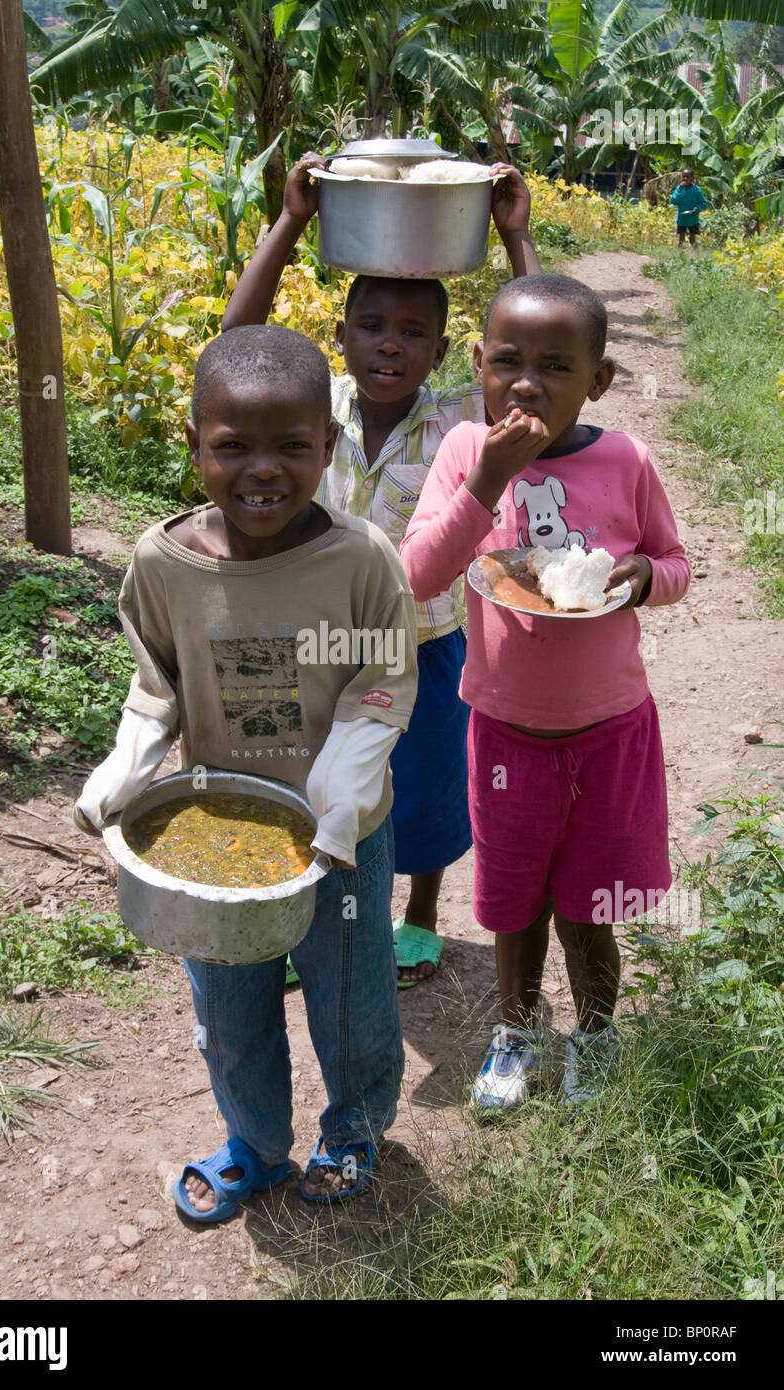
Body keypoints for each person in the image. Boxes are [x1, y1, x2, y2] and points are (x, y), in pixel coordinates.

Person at [74, 325, 418, 1219]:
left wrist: (336, 805)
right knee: (228, 1007)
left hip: (343, 840)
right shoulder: (166, 563)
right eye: (232, 447)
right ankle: (255, 1145)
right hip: (216, 837)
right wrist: (128, 766)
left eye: (292, 447)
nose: (262, 470)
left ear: (328, 447)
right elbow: (158, 683)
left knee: (351, 1000)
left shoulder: (359, 562)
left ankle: (352, 1129)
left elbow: (380, 688)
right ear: (193, 443)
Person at [223, 151, 542, 987]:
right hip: (314, 636)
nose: (389, 346)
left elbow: (537, 368)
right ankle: (307, 912)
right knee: (307, 775)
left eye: (412, 333)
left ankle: (419, 915)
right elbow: (237, 347)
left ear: (444, 352)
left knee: (427, 783)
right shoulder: (310, 406)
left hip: (426, 641)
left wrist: (516, 237)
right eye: (371, 327)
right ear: (341, 338)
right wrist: (292, 221)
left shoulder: (461, 423)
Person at [399, 274, 690, 1109]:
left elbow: (675, 563)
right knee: (513, 903)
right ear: (479, 363)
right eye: (507, 361)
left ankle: (595, 1035)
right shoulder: (463, 453)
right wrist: (486, 482)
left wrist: (640, 580)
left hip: (610, 732)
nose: (526, 383)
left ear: (596, 381)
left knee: (592, 904)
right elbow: (421, 572)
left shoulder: (625, 460)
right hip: (504, 733)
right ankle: (517, 1031)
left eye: (556, 366)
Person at [670, 168, 706, 248]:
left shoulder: (697, 190)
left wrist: (697, 208)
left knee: (692, 239)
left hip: (693, 219)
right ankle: (680, 256)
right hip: (682, 219)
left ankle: (697, 256)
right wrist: (679, 188)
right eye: (683, 176)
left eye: (688, 177)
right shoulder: (679, 189)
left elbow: (702, 203)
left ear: (692, 178)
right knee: (681, 239)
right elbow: (673, 201)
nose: (685, 179)